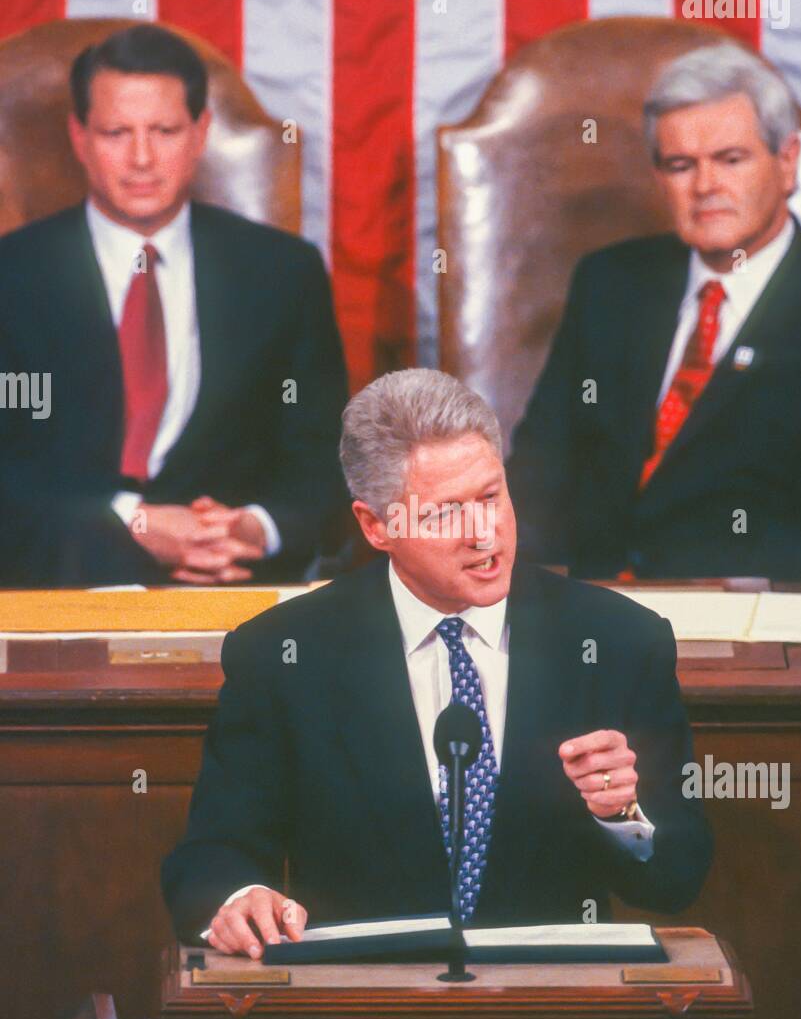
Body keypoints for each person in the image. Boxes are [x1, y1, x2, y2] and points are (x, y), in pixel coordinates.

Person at [162, 369, 712, 955]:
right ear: (376, 527)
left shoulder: (618, 642)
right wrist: (240, 898)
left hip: (553, 1013)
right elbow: (211, 856)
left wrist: (620, 813)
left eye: (491, 497)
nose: (485, 535)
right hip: (360, 1016)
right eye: (446, 513)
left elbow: (677, 878)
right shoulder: (284, 655)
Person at [507, 42, 801, 581]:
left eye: (731, 159)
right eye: (681, 165)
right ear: (659, 177)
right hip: (583, 608)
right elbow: (538, 472)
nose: (705, 187)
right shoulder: (609, 283)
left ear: (787, 162)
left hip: (747, 630)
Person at [0, 23, 348, 587]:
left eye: (163, 130)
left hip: (230, 592)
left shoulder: (284, 273)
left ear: (200, 132)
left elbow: (322, 462)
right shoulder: (12, 276)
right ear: (79, 137)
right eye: (116, 132)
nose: (141, 158)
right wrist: (130, 525)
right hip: (50, 593)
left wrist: (253, 528)